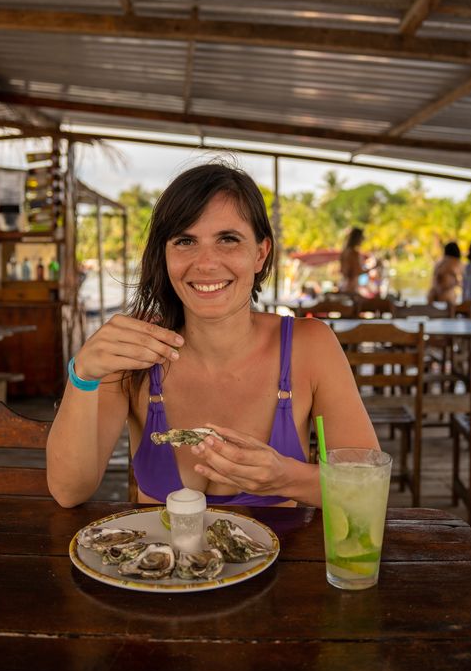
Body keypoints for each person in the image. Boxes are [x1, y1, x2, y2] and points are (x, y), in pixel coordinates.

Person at [46, 161, 378, 509]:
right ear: (165, 254)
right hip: (157, 563)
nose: (205, 263)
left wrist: (286, 477)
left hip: (279, 564)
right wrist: (82, 375)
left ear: (261, 254)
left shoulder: (309, 346)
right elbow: (70, 491)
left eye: (228, 239)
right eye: (185, 240)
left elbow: (367, 490)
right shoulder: (136, 353)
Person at [427, 241, 463, 305]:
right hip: (447, 294)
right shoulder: (455, 262)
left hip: (432, 294)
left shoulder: (439, 262)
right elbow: (460, 279)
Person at [339, 227, 367, 294]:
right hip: (352, 287)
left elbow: (342, 271)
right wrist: (374, 267)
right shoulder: (354, 253)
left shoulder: (344, 252)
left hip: (343, 285)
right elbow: (358, 271)